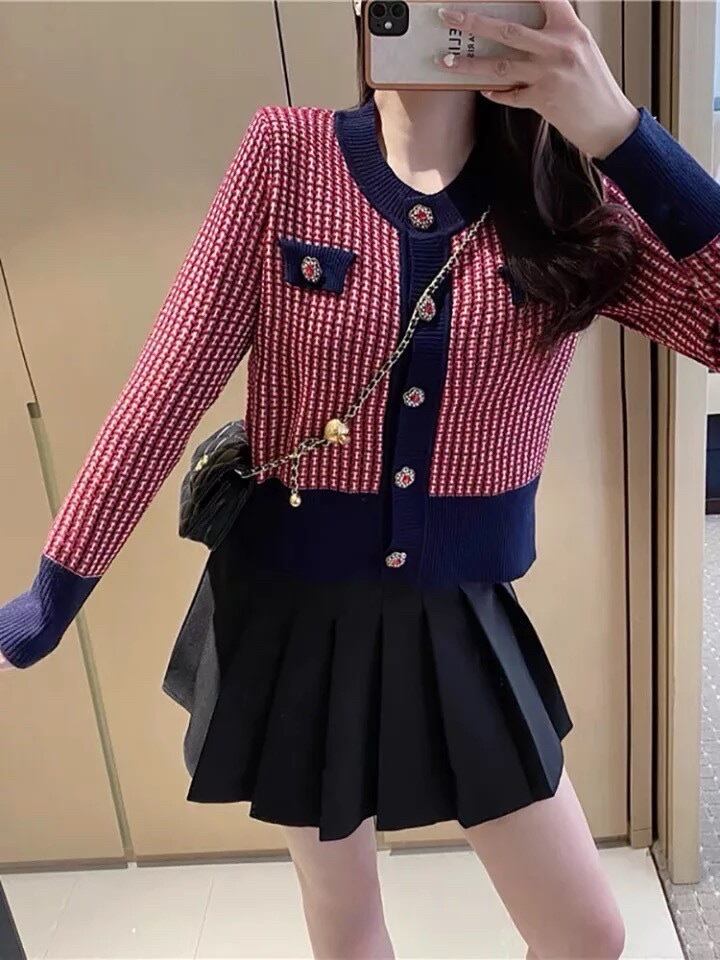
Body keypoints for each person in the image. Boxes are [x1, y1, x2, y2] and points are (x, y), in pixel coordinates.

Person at [2, 0, 720, 956]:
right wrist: (52, 594)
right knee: (346, 924)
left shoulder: (565, 198)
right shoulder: (286, 157)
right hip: (287, 610)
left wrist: (620, 133)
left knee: (587, 934)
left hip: (459, 611)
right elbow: (169, 383)